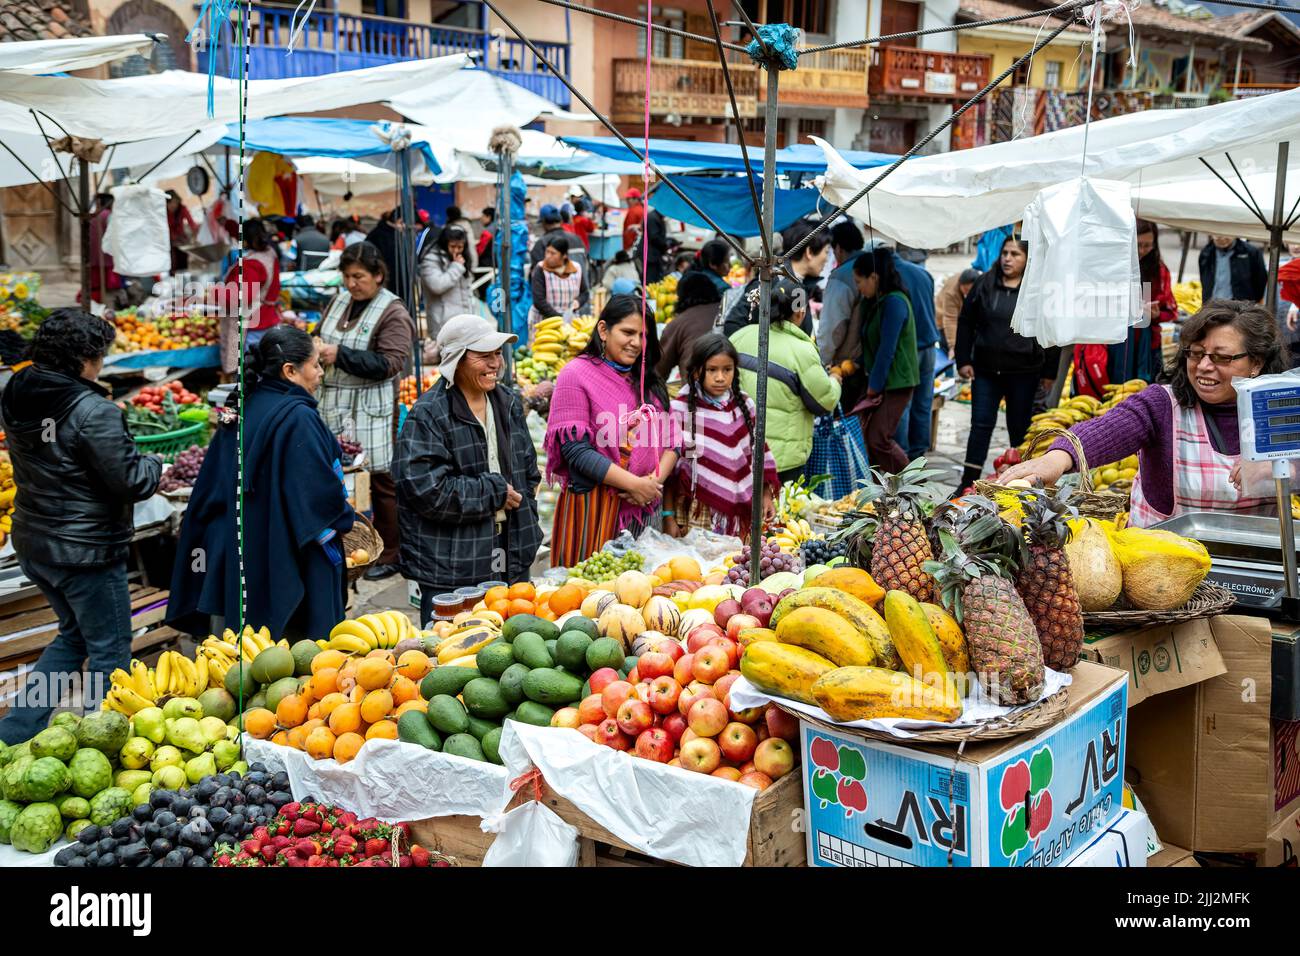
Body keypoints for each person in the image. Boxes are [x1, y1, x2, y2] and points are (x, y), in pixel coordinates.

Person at [0, 310, 162, 741]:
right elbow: (132, 481)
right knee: (110, 648)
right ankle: (102, 743)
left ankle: (14, 732)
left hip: (35, 542)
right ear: (84, 358)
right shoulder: (94, 411)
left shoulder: (17, 387)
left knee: (73, 635)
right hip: (83, 553)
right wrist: (154, 462)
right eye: (101, 355)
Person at [999, 301, 1289, 525]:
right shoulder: (1162, 405)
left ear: (1257, 363)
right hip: (1160, 575)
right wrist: (1057, 459)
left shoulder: (1283, 409)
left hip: (1256, 571)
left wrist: (1284, 466)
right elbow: (1107, 430)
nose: (1203, 367)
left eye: (1221, 357)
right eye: (1196, 353)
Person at [168, 326, 354, 641]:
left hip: (239, 548)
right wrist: (344, 519)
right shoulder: (298, 417)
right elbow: (319, 500)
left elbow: (215, 481)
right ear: (290, 371)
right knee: (301, 651)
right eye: (315, 365)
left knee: (251, 644)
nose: (321, 373)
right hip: (287, 555)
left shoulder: (239, 405)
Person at [393, 315, 542, 625]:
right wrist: (494, 491)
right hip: (454, 562)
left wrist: (527, 513)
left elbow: (527, 467)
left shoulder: (508, 403)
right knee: (453, 650)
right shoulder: (429, 415)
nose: (495, 363)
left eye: (498, 353)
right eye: (484, 355)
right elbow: (426, 489)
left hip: (510, 549)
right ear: (457, 360)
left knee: (510, 645)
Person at [544, 294, 679, 568]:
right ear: (603, 330)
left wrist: (650, 485)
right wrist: (634, 485)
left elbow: (673, 442)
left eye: (643, 336)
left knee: (638, 597)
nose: (636, 343)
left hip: (643, 510)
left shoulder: (647, 380)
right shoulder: (575, 374)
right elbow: (576, 450)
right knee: (588, 595)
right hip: (593, 512)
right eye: (627, 332)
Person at [316, 242, 416, 580]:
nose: (351, 283)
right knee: (338, 476)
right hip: (335, 403)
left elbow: (391, 363)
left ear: (378, 275)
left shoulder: (393, 312)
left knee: (382, 479)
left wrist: (338, 354)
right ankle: (346, 545)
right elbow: (321, 333)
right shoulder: (341, 300)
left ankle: (392, 552)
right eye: (346, 276)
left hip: (371, 409)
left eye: (358, 276)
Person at [955, 236, 1060, 493]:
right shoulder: (984, 284)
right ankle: (967, 481)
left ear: (1027, 260)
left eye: (1015, 254)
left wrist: (1050, 372)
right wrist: (963, 360)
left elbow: (1052, 330)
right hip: (986, 370)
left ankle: (1022, 483)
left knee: (1020, 429)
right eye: (1005, 253)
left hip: (1024, 373)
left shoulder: (1037, 290)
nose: (1008, 258)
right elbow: (966, 322)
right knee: (980, 426)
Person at [666, 333, 778, 537]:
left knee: (733, 564)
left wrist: (766, 495)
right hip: (695, 511)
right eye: (712, 370)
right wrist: (668, 516)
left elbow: (758, 455)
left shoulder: (744, 405)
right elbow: (672, 473)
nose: (720, 377)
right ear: (697, 371)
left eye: (727, 369)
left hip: (739, 513)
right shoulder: (682, 409)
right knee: (698, 566)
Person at [731, 277, 841, 483]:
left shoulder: (739, 337)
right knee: (780, 513)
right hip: (781, 460)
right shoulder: (803, 350)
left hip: (739, 451)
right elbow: (824, 401)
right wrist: (835, 379)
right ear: (800, 312)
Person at [853, 249, 919, 473]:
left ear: (874, 277)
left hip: (897, 382)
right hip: (881, 380)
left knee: (878, 439)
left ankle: (914, 486)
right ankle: (883, 491)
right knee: (869, 439)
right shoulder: (875, 302)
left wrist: (874, 386)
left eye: (859, 281)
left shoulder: (895, 302)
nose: (858, 287)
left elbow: (886, 349)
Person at [885, 242, 940, 461]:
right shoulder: (924, 274)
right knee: (923, 402)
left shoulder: (892, 275)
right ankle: (918, 451)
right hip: (929, 347)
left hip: (909, 350)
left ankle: (903, 455)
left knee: (903, 403)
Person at [723, 222, 826, 338]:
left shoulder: (803, 284)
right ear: (809, 252)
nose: (827, 259)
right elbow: (734, 323)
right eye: (826, 252)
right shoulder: (771, 279)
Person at [1108, 218, 1177, 385]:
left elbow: (1171, 309)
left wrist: (1157, 314)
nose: (1142, 250)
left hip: (1146, 344)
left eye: (1147, 245)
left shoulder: (1158, 270)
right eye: (1137, 245)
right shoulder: (1112, 266)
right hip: (1114, 341)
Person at [212, 218, 282, 380]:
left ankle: (247, 402)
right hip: (267, 318)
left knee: (251, 373)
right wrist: (225, 221)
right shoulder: (269, 253)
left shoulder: (252, 264)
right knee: (265, 369)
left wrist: (213, 293)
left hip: (252, 324)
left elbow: (239, 297)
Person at [818, 220, 869, 408]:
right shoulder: (870, 264)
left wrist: (820, 364)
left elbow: (833, 327)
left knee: (841, 425)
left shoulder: (842, 276)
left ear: (838, 248)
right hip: (864, 362)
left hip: (844, 368)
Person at [656, 271, 723, 382]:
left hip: (695, 392)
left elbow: (659, 370)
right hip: (731, 388)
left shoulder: (678, 323)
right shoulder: (727, 312)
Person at [419, 225, 475, 345]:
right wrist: (456, 267)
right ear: (445, 244)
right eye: (453, 246)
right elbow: (437, 286)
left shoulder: (462, 258)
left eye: (460, 247)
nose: (456, 251)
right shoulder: (431, 259)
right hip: (442, 322)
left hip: (464, 322)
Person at [529, 235, 590, 330]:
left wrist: (578, 302)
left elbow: (585, 293)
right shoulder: (540, 269)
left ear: (564, 255)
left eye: (553, 253)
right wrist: (559, 318)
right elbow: (539, 301)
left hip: (570, 321)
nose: (548, 256)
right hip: (544, 322)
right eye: (547, 251)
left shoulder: (576, 269)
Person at [1199, 234, 1267, 303]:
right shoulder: (1206, 253)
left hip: (1240, 305)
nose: (1222, 238)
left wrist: (1255, 301)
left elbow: (1261, 279)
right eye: (1218, 235)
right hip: (1213, 303)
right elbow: (1204, 280)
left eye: (1226, 234)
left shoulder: (1251, 252)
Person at [531, 204, 587, 275]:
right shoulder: (577, 239)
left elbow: (537, 274)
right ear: (560, 221)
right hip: (578, 285)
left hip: (554, 285)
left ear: (544, 222)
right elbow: (584, 266)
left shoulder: (542, 243)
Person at [937, 268, 981, 357]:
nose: (968, 293)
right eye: (965, 289)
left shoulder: (981, 285)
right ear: (960, 284)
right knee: (947, 351)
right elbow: (950, 319)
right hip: (943, 318)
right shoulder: (951, 293)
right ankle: (948, 367)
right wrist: (953, 346)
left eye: (971, 291)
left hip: (963, 317)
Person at [86, 193, 120, 306]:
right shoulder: (108, 215)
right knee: (108, 285)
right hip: (107, 256)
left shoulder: (93, 216)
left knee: (97, 284)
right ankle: (106, 305)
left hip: (94, 255)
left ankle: (98, 304)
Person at [365, 208, 405, 293]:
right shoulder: (380, 235)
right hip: (387, 279)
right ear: (396, 221)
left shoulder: (395, 233)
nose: (403, 226)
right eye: (401, 223)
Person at [166, 189, 196, 274]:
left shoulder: (182, 209)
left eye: (175, 202)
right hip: (168, 243)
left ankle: (182, 282)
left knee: (182, 266)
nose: (173, 205)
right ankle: (173, 281)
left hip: (181, 242)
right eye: (170, 203)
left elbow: (192, 223)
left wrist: (195, 235)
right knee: (171, 266)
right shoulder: (163, 212)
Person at [442, 206, 478, 271]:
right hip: (468, 262)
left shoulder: (449, 229)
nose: (456, 250)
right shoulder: (466, 225)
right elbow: (472, 246)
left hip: (460, 263)